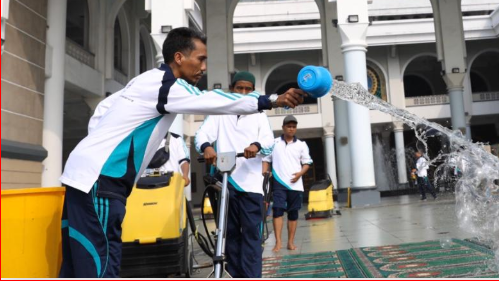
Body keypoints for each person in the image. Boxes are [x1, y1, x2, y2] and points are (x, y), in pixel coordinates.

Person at [58, 27, 306, 278]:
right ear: (179, 58)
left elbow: (102, 110)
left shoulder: (145, 80)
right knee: (100, 263)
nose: (203, 67)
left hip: (84, 175)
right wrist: (272, 100)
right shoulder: (170, 85)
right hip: (101, 180)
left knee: (76, 264)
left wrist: (97, 147)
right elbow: (213, 100)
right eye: (200, 59)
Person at [194, 71, 275, 278]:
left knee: (251, 236)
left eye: (248, 89)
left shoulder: (259, 114)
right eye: (240, 88)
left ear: (253, 91)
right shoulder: (221, 112)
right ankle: (236, 275)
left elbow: (268, 142)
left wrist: (256, 146)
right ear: (233, 89)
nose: (244, 92)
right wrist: (206, 147)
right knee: (228, 235)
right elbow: (201, 135)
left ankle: (252, 276)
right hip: (226, 184)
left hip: (251, 186)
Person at [265, 115, 312, 252]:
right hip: (279, 183)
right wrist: (266, 173)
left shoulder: (301, 145)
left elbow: (307, 163)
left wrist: (299, 174)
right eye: (288, 126)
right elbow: (266, 160)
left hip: (295, 185)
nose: (291, 129)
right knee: (278, 211)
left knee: (293, 214)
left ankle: (290, 242)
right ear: (283, 127)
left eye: (293, 126)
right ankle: (278, 242)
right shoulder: (274, 143)